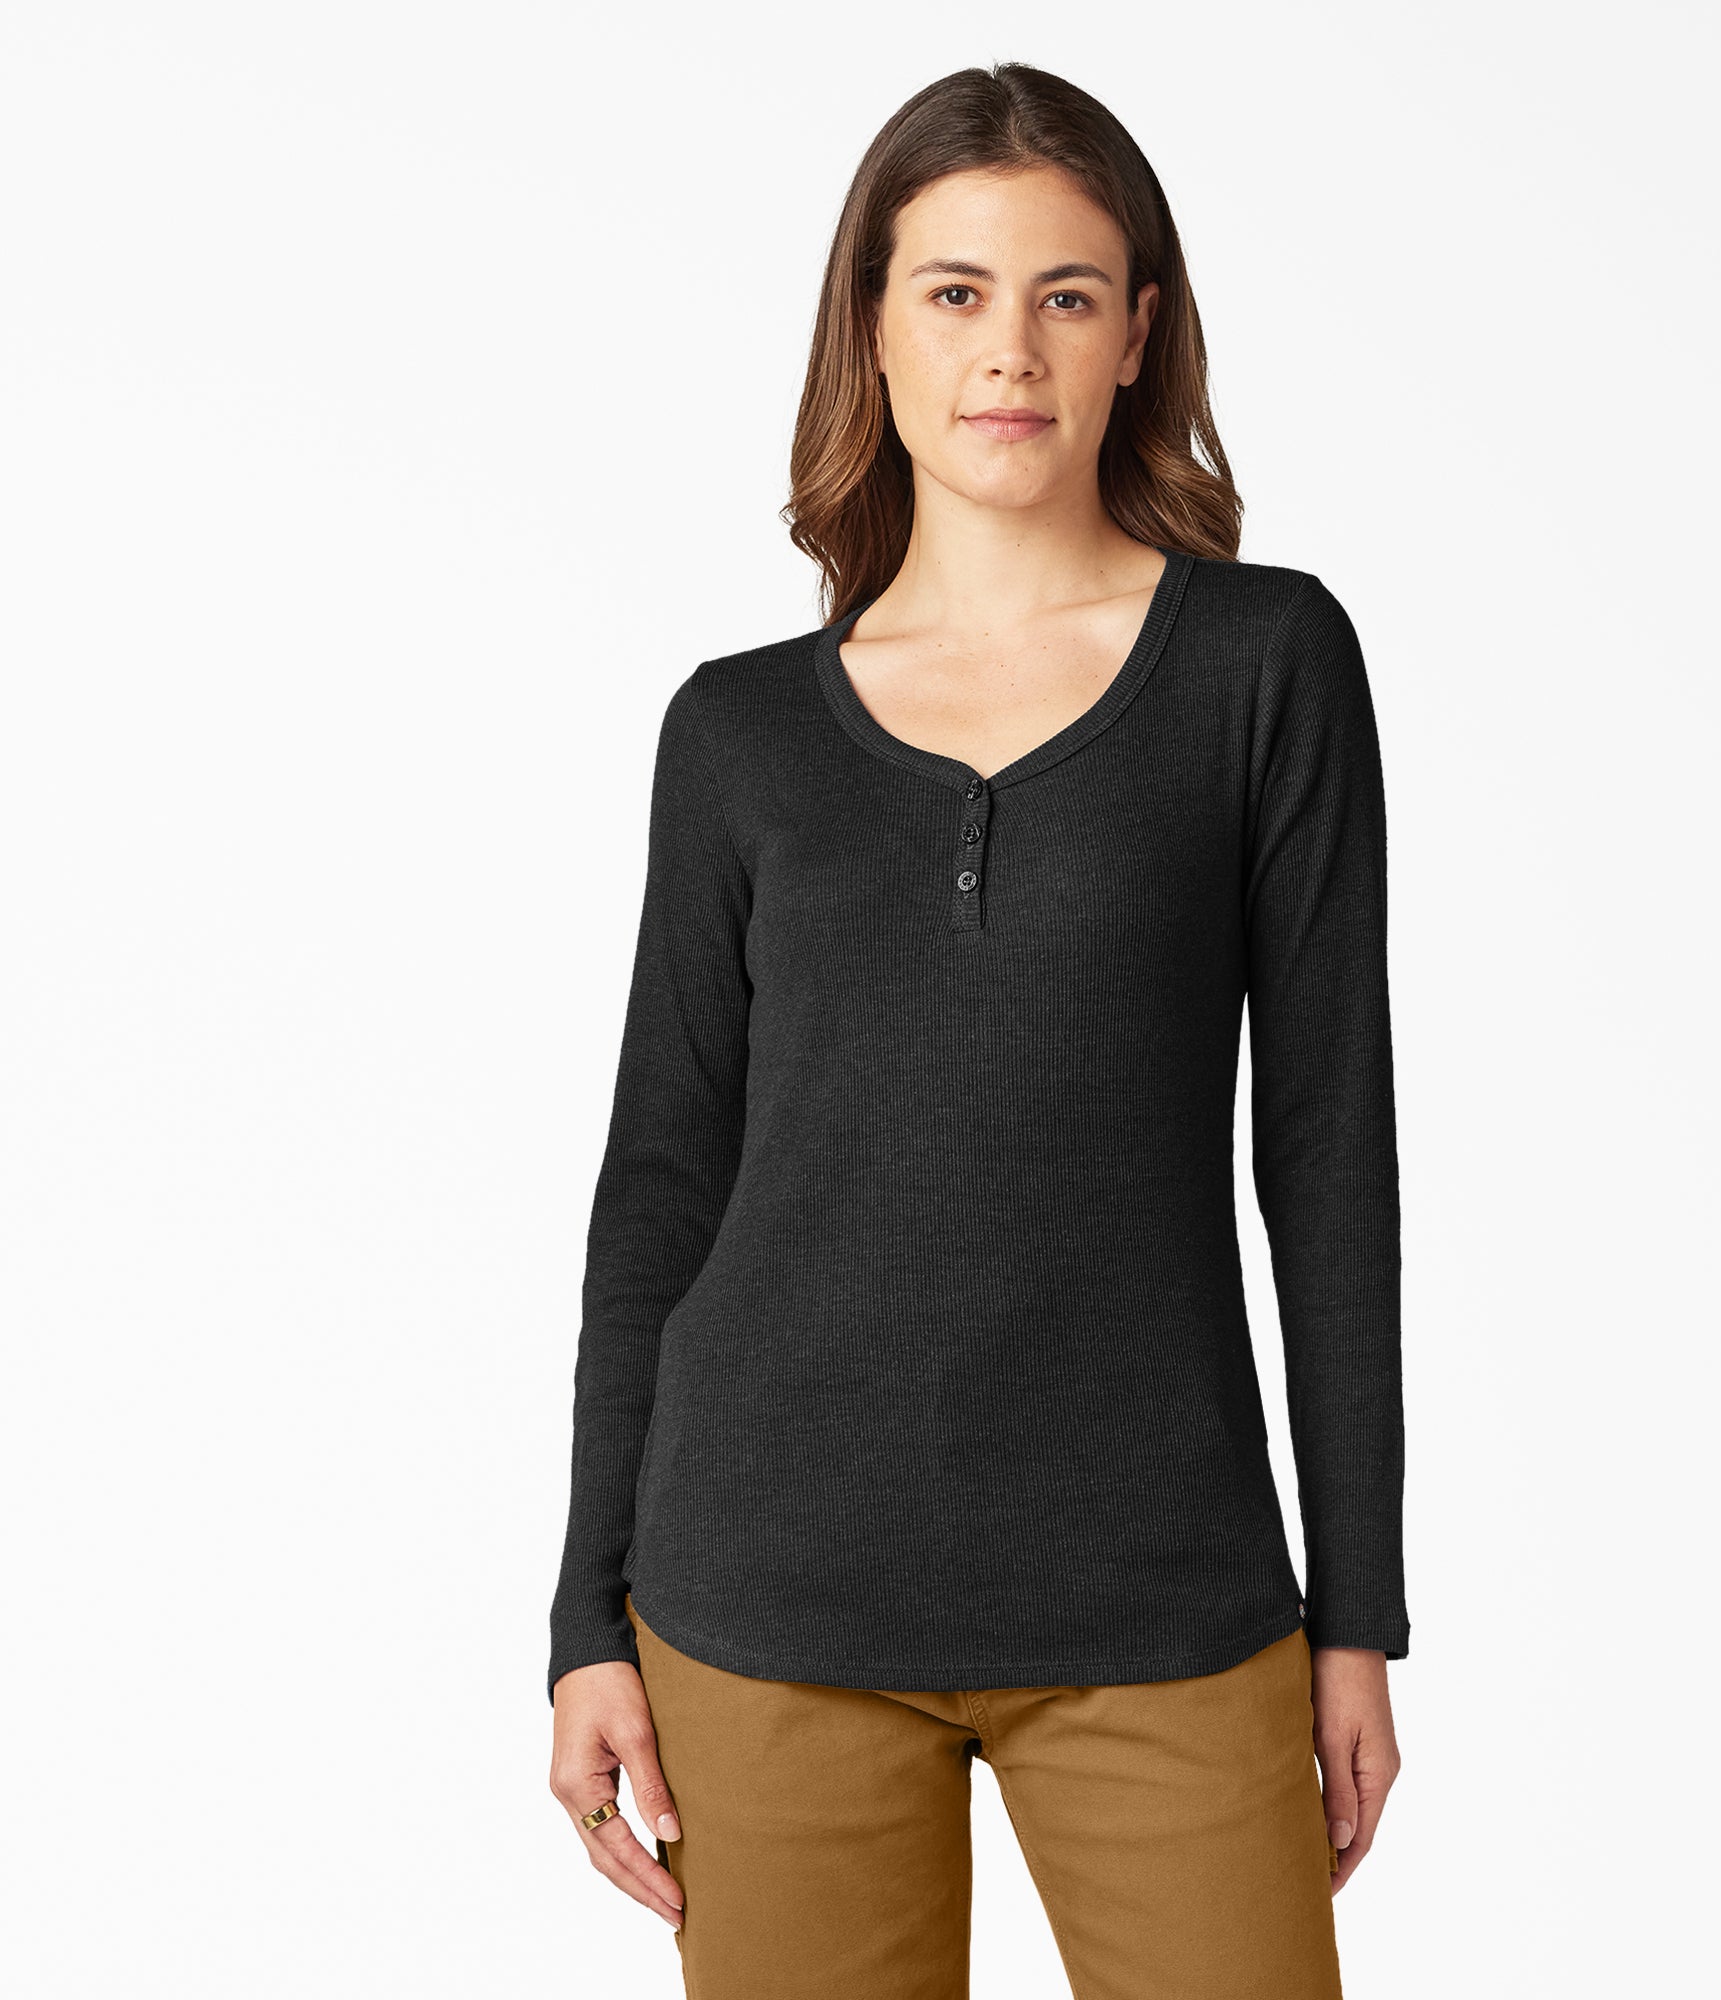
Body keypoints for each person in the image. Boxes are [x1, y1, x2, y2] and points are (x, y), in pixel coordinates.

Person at [546, 60, 1406, 1998]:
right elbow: (660, 1190)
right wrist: (586, 1619)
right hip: (762, 1599)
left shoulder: (1264, 665)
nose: (1008, 349)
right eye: (953, 292)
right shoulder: (737, 734)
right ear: (873, 325)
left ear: (1138, 333)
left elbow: (1329, 1160)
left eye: (1065, 295)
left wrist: (1356, 1610)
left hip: (1161, 1592)